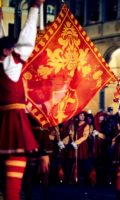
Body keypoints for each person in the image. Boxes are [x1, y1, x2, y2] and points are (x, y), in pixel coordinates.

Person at [0, 0, 45, 199]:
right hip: (12, 123)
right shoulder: (10, 65)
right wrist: (34, 8)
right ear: (7, 52)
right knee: (12, 184)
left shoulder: (3, 65)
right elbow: (26, 43)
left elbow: (2, 42)